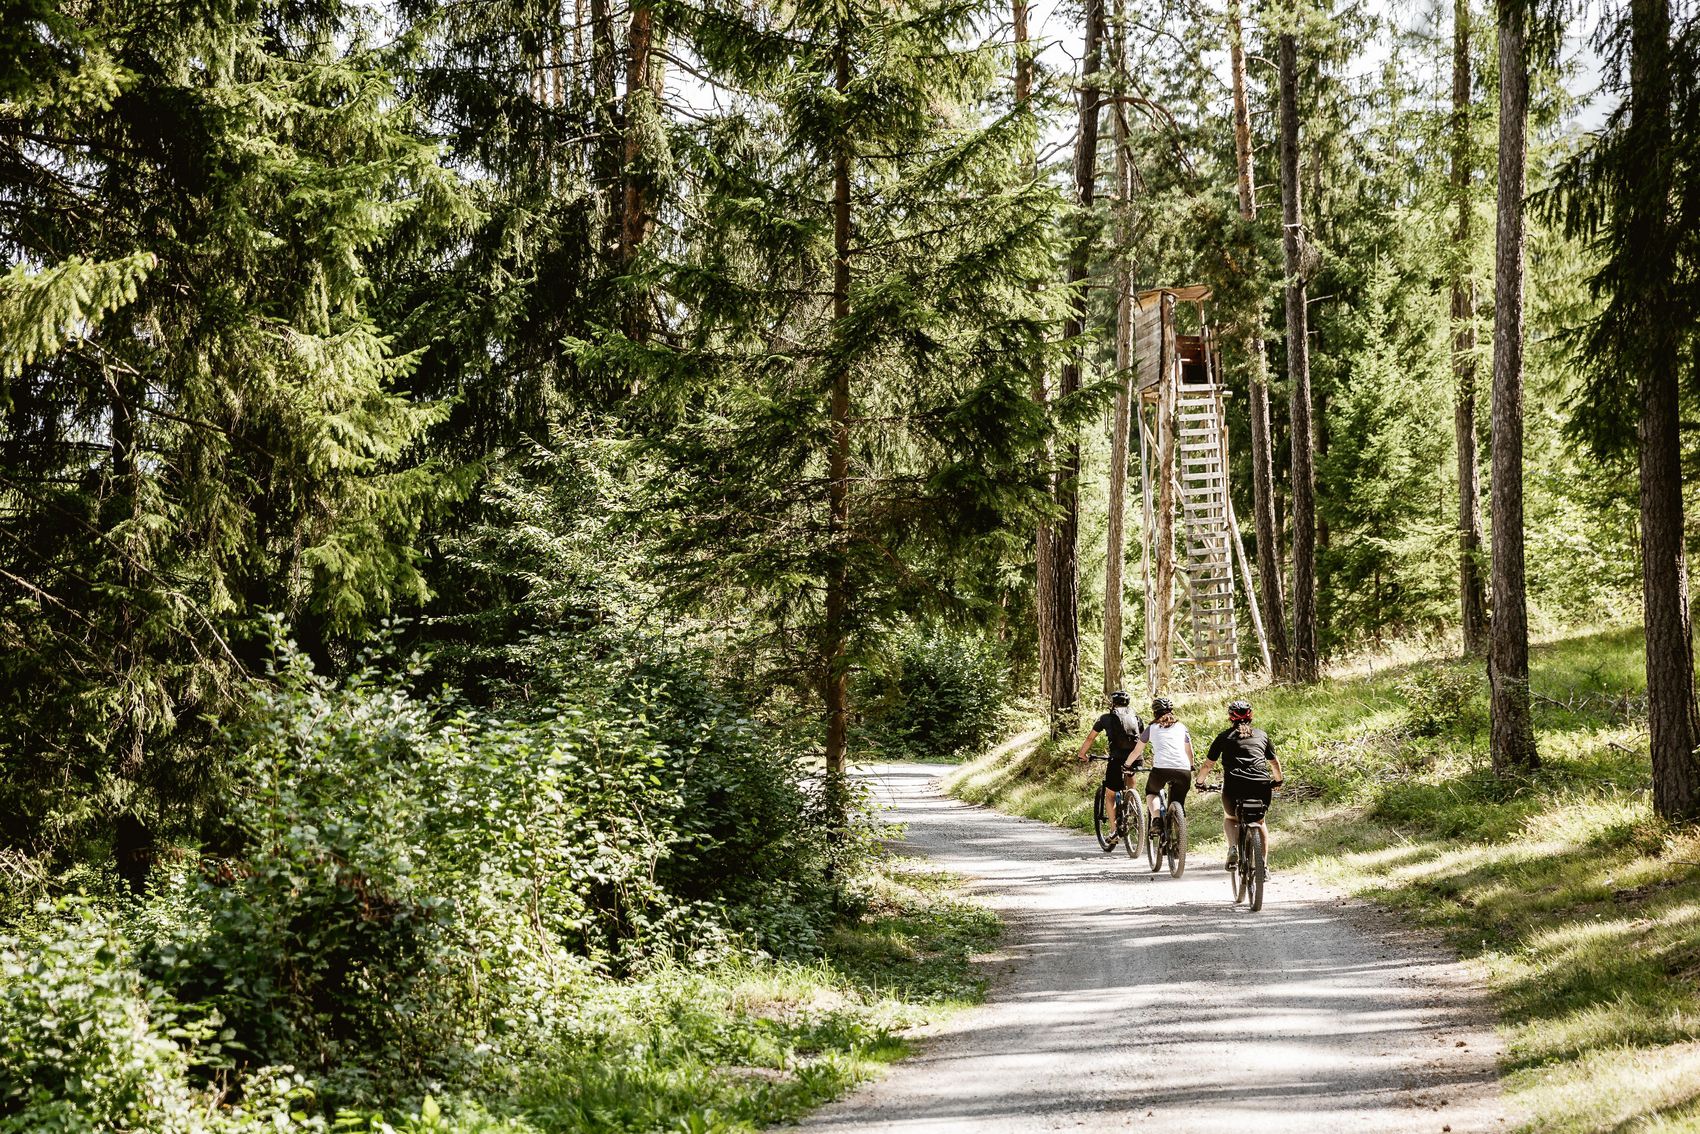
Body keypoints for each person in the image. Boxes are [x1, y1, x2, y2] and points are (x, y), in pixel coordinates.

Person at [1196, 699, 1284, 870]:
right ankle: (1263, 867)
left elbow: (1208, 765)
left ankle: (1233, 848)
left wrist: (1200, 783)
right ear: (1251, 716)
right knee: (1260, 822)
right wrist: (1278, 781)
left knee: (1230, 818)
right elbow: (1274, 763)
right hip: (1261, 785)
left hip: (1234, 787)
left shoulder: (1223, 737)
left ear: (1230, 717)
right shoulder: (1262, 735)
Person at [1075, 690, 1145, 851]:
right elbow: (1142, 738)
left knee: (1110, 795)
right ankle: (1132, 804)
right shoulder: (1136, 717)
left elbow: (1090, 738)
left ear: (1112, 704)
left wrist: (1082, 754)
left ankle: (1114, 832)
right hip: (1136, 758)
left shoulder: (1105, 718)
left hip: (1117, 759)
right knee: (1130, 785)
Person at [1126, 696, 1194, 830]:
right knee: (1178, 802)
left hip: (1161, 769)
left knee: (1152, 792)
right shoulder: (1182, 727)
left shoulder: (1151, 728)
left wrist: (1127, 765)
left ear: (1154, 713)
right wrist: (1191, 765)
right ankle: (1178, 833)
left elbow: (1136, 751)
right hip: (1183, 769)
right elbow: (1189, 750)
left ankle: (1156, 820)